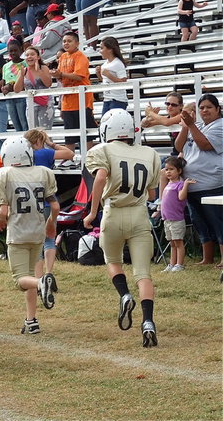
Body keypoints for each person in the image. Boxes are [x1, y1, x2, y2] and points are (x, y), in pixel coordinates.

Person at [84, 109, 161, 348]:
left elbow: (100, 177)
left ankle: (124, 295)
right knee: (143, 273)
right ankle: (148, 321)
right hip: (139, 215)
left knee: (113, 261)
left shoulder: (101, 150)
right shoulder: (149, 153)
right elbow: (151, 193)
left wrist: (92, 211)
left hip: (113, 213)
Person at [0, 136, 59, 335]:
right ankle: (31, 321)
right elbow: (55, 205)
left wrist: (0, 221)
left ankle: (41, 283)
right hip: (37, 232)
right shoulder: (43, 173)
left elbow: (3, 211)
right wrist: (51, 223)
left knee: (21, 279)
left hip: (19, 233)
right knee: (29, 275)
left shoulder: (2, 175)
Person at [175, 94, 223, 266]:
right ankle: (207, 258)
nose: (204, 110)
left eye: (209, 107)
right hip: (192, 185)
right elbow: (179, 146)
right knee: (200, 223)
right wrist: (185, 127)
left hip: (211, 184)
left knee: (217, 222)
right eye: (201, 108)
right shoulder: (197, 126)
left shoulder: (220, 126)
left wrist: (191, 125)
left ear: (218, 109)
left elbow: (205, 145)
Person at [24, 128, 74, 283]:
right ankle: (49, 273)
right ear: (40, 140)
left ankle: (39, 279)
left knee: (36, 242)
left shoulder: (26, 156)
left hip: (30, 202)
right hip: (48, 199)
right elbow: (70, 154)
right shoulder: (45, 153)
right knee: (49, 238)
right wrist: (52, 144)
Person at [51, 32, 95, 152]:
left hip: (82, 100)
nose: (66, 43)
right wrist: (56, 75)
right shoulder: (63, 57)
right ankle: (69, 157)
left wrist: (60, 74)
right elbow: (61, 77)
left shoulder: (81, 56)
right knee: (69, 134)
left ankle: (88, 157)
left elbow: (79, 76)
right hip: (67, 100)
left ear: (77, 43)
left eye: (69, 41)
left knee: (86, 132)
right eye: (64, 41)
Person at [158, 156, 193, 272]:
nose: (168, 172)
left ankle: (179, 264)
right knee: (172, 243)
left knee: (178, 242)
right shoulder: (168, 184)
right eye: (166, 169)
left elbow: (181, 197)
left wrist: (186, 185)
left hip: (176, 219)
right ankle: (172, 264)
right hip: (167, 219)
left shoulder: (180, 184)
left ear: (179, 171)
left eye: (171, 169)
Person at [15, 47, 54, 129]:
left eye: (32, 54)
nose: (29, 57)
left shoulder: (43, 68)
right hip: (31, 104)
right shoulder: (23, 71)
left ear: (38, 57)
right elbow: (17, 90)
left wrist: (39, 71)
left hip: (45, 103)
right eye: (27, 55)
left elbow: (48, 84)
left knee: (45, 132)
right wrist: (21, 75)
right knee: (33, 133)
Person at [96, 36, 129, 114]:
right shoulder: (105, 64)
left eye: (102, 48)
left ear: (110, 49)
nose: (100, 51)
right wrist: (98, 74)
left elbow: (123, 82)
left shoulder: (118, 63)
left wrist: (109, 75)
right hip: (107, 99)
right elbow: (105, 81)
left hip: (117, 100)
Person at [2, 40, 28, 132]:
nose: (13, 53)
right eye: (10, 51)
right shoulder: (5, 66)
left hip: (22, 96)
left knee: (24, 123)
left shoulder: (26, 63)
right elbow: (4, 82)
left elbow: (28, 81)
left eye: (15, 50)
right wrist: (4, 88)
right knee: (16, 124)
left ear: (20, 50)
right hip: (9, 98)